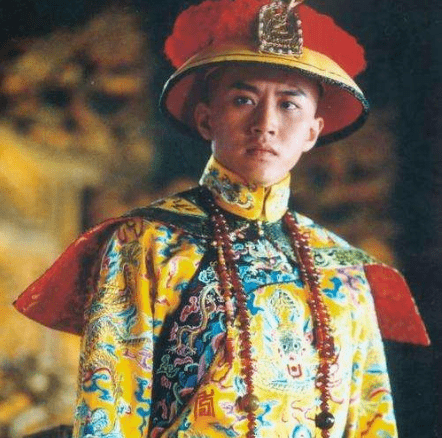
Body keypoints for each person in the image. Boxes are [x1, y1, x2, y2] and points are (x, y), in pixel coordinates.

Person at [14, 1, 430, 437]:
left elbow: (373, 423)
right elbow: (108, 415)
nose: (265, 123)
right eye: (243, 99)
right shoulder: (149, 242)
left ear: (313, 131)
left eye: (289, 104)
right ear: (206, 118)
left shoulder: (343, 268)